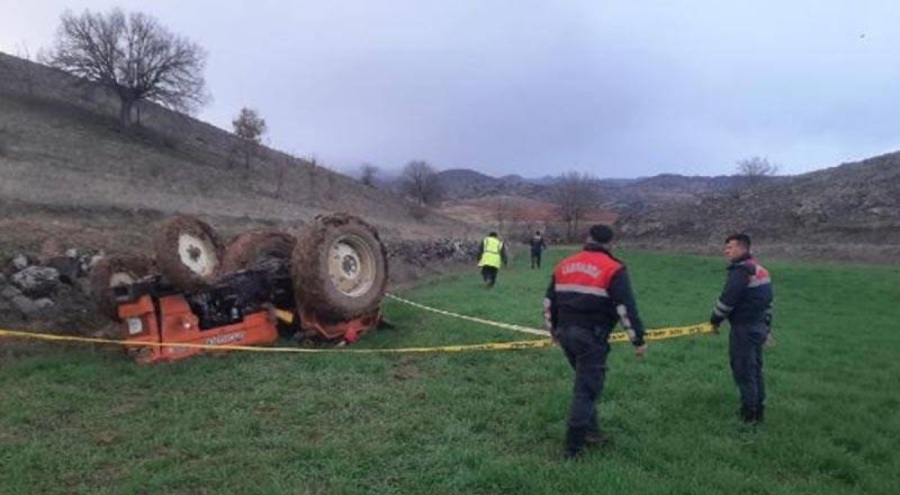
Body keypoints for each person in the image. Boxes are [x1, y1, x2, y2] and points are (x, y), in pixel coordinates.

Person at [543, 224, 647, 459]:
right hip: (591, 337)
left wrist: (553, 332)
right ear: (610, 243)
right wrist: (637, 340)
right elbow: (625, 308)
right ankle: (573, 449)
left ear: (587, 239)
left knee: (585, 383)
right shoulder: (614, 268)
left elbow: (549, 303)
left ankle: (592, 432)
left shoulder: (564, 264)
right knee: (586, 390)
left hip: (566, 334)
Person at [709, 233, 774, 425]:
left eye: (730, 247)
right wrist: (766, 329)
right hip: (758, 326)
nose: (726, 251)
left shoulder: (741, 271)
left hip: (743, 329)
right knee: (755, 371)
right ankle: (759, 411)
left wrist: (714, 321)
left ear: (741, 248)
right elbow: (769, 302)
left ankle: (748, 416)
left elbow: (728, 300)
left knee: (744, 372)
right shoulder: (760, 269)